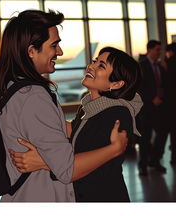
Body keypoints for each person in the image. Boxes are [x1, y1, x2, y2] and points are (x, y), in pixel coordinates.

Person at [0, 9, 128, 202]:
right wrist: (114, 149)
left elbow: (50, 132)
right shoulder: (33, 97)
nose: (59, 52)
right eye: (54, 45)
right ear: (31, 51)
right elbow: (68, 170)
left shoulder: (11, 87)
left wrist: (45, 161)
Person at [10, 47, 143, 202]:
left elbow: (89, 167)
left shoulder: (118, 114)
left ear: (117, 84)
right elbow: (77, 131)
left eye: (101, 66)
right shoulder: (89, 106)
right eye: (95, 61)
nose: (91, 66)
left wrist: (43, 161)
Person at [138, 40, 168, 176]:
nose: (159, 52)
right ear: (149, 50)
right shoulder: (141, 66)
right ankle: (143, 165)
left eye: (160, 50)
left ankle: (155, 160)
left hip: (160, 106)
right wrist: (151, 98)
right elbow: (138, 87)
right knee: (145, 137)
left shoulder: (160, 66)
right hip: (147, 107)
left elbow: (163, 84)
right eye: (157, 49)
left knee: (162, 132)